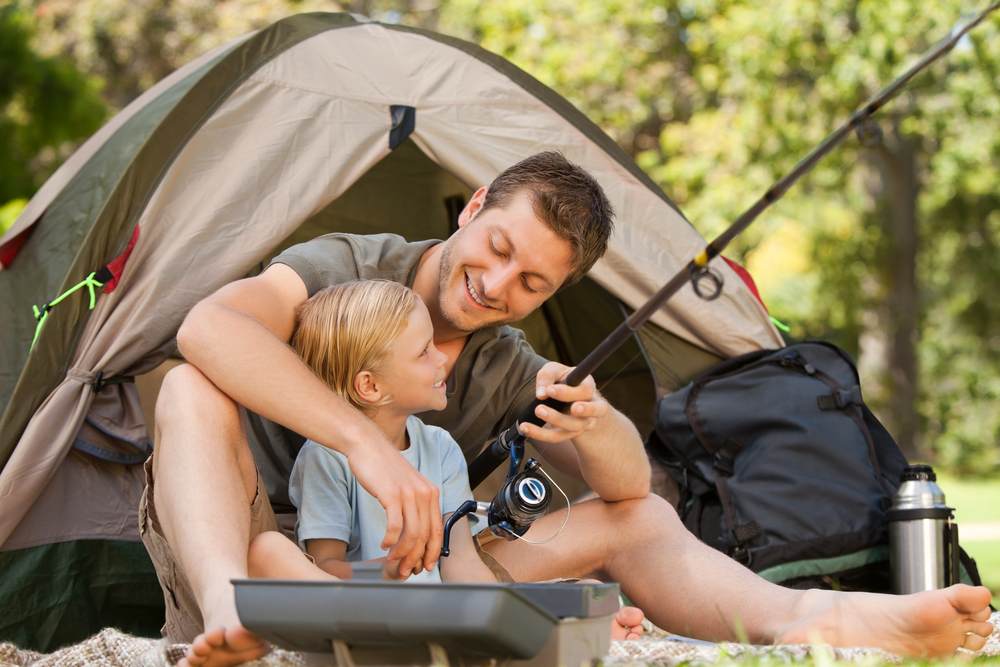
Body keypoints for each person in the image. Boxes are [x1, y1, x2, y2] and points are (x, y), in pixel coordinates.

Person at [143, 152, 993, 667]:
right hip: (257, 541)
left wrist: (596, 422)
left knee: (642, 519)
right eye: (499, 247)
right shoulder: (343, 265)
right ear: (473, 207)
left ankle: (832, 619)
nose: (497, 285)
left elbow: (625, 490)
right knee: (188, 383)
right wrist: (363, 449)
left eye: (533, 284)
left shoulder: (505, 363)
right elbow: (209, 326)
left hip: (413, 569)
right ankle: (229, 620)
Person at [235, 280, 643, 642]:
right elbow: (328, 566)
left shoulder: (440, 447)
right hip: (356, 610)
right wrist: (386, 573)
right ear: (370, 386)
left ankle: (576, 627)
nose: (442, 359)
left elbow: (463, 566)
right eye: (423, 352)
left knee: (579, 592)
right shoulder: (326, 457)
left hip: (432, 615)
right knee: (268, 549)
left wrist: (548, 615)